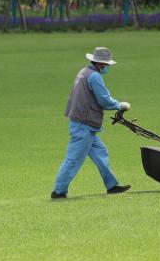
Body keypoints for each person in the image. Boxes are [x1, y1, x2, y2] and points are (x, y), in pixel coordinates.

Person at [51, 47, 132, 199]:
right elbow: (104, 100)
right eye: (107, 64)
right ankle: (58, 191)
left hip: (83, 123)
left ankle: (112, 185)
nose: (108, 67)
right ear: (101, 64)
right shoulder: (94, 76)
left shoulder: (83, 72)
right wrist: (120, 105)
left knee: (101, 153)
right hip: (84, 125)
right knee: (73, 158)